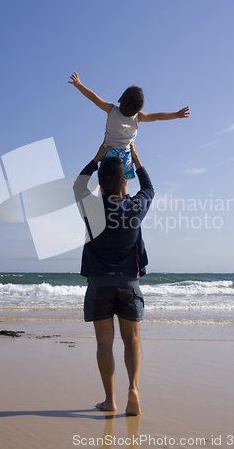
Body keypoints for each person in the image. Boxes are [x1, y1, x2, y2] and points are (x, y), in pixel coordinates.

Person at [73, 142, 154, 416]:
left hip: (99, 285)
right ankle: (133, 388)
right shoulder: (134, 208)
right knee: (132, 340)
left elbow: (78, 186)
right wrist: (137, 160)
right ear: (123, 182)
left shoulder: (91, 208)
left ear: (100, 183)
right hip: (129, 285)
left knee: (104, 343)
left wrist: (96, 157)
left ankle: (110, 400)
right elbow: (149, 189)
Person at [69, 71, 189, 184]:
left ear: (119, 100)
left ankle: (106, 201)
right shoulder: (138, 117)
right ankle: (124, 199)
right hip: (126, 156)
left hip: (108, 152)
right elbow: (157, 116)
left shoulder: (111, 109)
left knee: (107, 183)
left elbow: (94, 98)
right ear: (139, 109)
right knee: (123, 183)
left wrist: (79, 85)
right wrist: (177, 115)